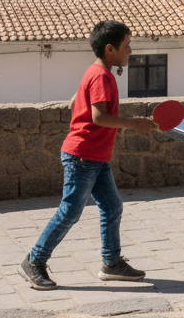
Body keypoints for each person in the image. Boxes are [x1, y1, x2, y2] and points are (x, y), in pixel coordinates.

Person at [21, 20, 157, 289]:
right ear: (110, 49)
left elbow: (75, 102)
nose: (131, 50)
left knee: (112, 206)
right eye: (127, 45)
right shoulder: (102, 76)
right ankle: (34, 261)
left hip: (95, 157)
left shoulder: (94, 72)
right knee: (70, 211)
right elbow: (98, 117)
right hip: (83, 157)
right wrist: (135, 123)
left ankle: (111, 263)